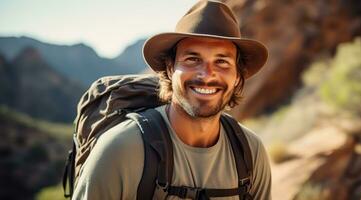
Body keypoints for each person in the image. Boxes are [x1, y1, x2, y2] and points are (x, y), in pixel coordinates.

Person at [73, 0, 271, 199]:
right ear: (169, 68)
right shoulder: (121, 150)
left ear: (237, 75)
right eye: (192, 59)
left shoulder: (250, 152)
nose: (207, 74)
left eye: (222, 61)